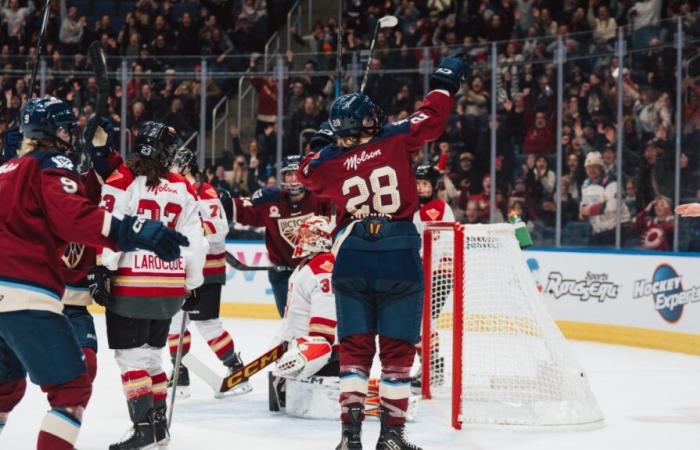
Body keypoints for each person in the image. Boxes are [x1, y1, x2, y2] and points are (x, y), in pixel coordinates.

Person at [299, 55, 469, 450]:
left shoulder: (330, 161)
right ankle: (391, 437)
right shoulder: (393, 136)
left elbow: (307, 174)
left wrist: (322, 143)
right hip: (399, 252)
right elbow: (431, 119)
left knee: (355, 353)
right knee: (397, 353)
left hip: (353, 256)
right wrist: (445, 82)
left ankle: (349, 438)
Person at [0, 98, 186, 450]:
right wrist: (138, 232)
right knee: (72, 391)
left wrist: (103, 154)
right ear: (54, 131)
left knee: (5, 390)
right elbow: (77, 217)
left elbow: (101, 184)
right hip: (29, 296)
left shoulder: (7, 170)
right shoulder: (50, 164)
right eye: (66, 127)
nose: (70, 134)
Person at [90, 122, 207, 449]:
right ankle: (158, 429)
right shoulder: (183, 185)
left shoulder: (122, 179)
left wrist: (103, 267)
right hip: (169, 285)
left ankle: (142, 429)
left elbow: (108, 226)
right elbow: (196, 241)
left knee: (131, 359)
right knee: (152, 357)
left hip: (132, 282)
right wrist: (193, 281)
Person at [167, 148, 249, 398]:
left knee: (208, 325)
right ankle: (180, 374)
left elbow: (218, 230)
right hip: (182, 272)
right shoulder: (175, 191)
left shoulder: (206, 192)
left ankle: (236, 371)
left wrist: (187, 234)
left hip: (207, 272)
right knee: (174, 323)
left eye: (172, 165)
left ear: (185, 167)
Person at [231, 155, 334, 317]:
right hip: (282, 275)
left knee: (319, 321)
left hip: (315, 271)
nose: (293, 179)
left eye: (296, 173)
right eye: (288, 174)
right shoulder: (271, 200)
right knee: (289, 322)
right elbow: (241, 210)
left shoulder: (320, 198)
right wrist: (219, 201)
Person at [269, 215, 338, 416]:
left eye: (308, 235)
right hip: (300, 345)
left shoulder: (323, 268)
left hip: (320, 353)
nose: (302, 239)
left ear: (320, 238)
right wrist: (282, 341)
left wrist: (305, 354)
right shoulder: (306, 265)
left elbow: (324, 330)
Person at [410, 164, 455, 391]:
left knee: (424, 322)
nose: (420, 188)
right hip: (421, 274)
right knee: (422, 322)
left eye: (425, 184)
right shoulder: (414, 208)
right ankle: (431, 367)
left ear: (434, 186)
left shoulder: (439, 208)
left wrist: (438, 274)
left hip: (438, 274)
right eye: (418, 183)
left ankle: (432, 368)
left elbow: (442, 245)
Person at [580, 151, 631, 246]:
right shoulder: (585, 184)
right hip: (600, 230)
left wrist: (591, 209)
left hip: (617, 229)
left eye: (594, 167)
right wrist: (583, 212)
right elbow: (584, 203)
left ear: (601, 167)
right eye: (588, 167)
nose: (591, 170)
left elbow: (614, 206)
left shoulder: (611, 183)